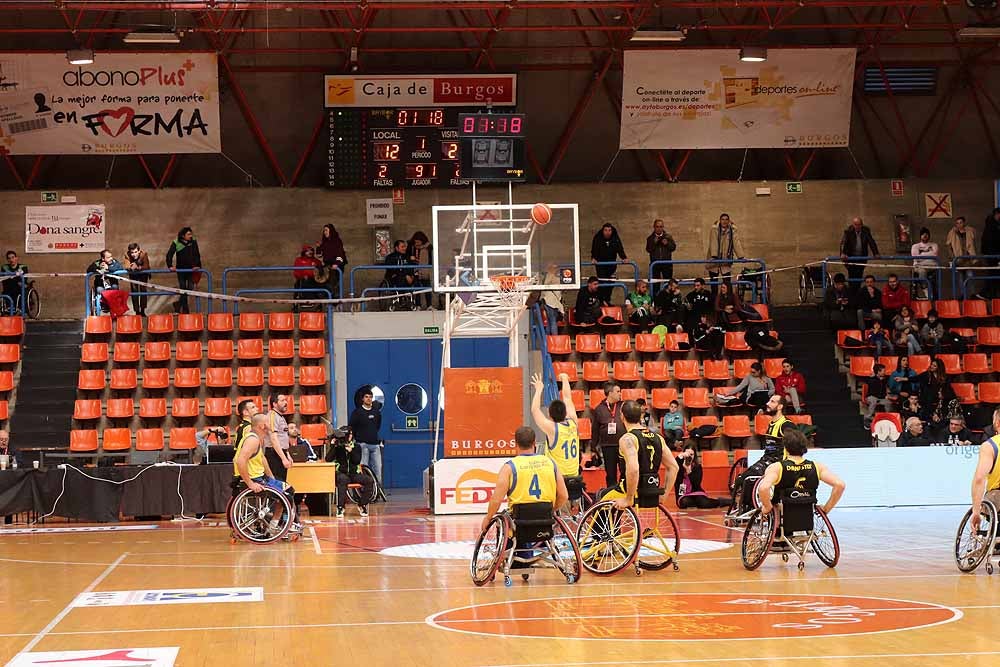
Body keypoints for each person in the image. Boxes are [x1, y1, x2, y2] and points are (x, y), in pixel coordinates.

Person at [480, 426, 569, 534]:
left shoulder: (509, 467)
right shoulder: (550, 463)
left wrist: (488, 518)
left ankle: (511, 550)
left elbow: (496, 500)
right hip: (545, 518)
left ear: (515, 443)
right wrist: (551, 510)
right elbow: (564, 496)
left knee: (504, 521)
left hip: (519, 521)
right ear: (534, 442)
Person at [597, 400, 678, 512]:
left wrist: (629, 498)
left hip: (631, 491)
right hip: (652, 490)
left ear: (622, 417)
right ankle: (615, 528)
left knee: (599, 496)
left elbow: (634, 469)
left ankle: (604, 529)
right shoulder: (658, 438)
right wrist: (664, 495)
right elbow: (674, 467)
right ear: (640, 416)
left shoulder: (628, 439)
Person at [233, 413, 301, 537]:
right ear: (262, 425)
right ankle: (276, 526)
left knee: (287, 489)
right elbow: (240, 461)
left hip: (260, 477)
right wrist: (250, 483)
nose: (271, 424)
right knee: (287, 493)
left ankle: (276, 525)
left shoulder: (258, 439)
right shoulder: (252, 440)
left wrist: (272, 479)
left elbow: (263, 460)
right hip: (254, 479)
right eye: (268, 422)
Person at [757, 429, 846, 517]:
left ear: (785, 448)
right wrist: (827, 508)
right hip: (807, 509)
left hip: (782, 510)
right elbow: (840, 485)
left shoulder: (776, 467)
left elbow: (763, 488)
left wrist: (767, 507)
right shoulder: (817, 466)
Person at [529, 372, 582, 511]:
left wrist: (539, 389)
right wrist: (565, 379)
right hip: (575, 475)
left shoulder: (552, 429)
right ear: (565, 413)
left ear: (549, 415)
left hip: (560, 479)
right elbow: (567, 398)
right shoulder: (573, 422)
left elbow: (534, 410)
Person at [326, 426, 373, 517]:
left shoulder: (356, 447)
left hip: (353, 474)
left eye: (351, 434)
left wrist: (351, 451)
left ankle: (362, 504)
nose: (349, 436)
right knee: (343, 479)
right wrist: (333, 446)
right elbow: (328, 459)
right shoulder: (338, 446)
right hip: (341, 473)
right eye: (348, 434)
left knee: (369, 480)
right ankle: (340, 507)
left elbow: (357, 461)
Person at [970, 408, 1000, 535]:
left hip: (997, 497)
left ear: (997, 423)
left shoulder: (990, 446)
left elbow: (979, 479)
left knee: (990, 500)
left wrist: (976, 512)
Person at [592, 382, 624, 488]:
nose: (620, 393)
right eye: (618, 391)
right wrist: (593, 448)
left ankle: (624, 493)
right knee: (610, 474)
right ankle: (611, 495)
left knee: (625, 472)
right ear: (610, 393)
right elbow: (595, 430)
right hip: (607, 446)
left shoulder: (623, 406)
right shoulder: (599, 409)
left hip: (623, 445)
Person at [349, 387, 383, 485]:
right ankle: (365, 492)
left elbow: (377, 426)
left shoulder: (376, 412)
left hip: (375, 445)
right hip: (362, 445)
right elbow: (352, 427)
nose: (369, 399)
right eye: (366, 397)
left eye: (370, 397)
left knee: (378, 469)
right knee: (363, 469)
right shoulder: (357, 412)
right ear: (362, 399)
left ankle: (377, 492)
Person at [165, 227, 201, 314]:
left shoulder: (193, 241)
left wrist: (197, 265)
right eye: (188, 234)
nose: (190, 236)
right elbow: (169, 255)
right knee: (183, 288)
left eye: (191, 234)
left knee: (189, 288)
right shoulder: (176, 242)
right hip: (181, 270)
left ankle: (178, 303)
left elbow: (197, 254)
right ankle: (185, 310)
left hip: (191, 269)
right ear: (183, 235)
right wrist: (170, 266)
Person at [706, 213, 745, 292]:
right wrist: (714, 256)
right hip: (714, 262)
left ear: (729, 221)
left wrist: (741, 256)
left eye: (726, 219)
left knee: (727, 284)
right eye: (723, 219)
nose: (724, 221)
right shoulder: (714, 229)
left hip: (726, 260)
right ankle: (715, 302)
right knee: (714, 285)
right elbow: (713, 243)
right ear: (720, 220)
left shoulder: (732, 230)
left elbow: (736, 243)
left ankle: (728, 302)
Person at [840, 217, 880, 291]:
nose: (857, 227)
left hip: (862, 258)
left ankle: (857, 294)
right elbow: (844, 243)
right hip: (851, 258)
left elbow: (871, 242)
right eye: (855, 225)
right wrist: (843, 253)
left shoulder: (866, 230)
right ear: (853, 225)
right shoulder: (848, 231)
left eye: (859, 225)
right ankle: (852, 295)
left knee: (859, 278)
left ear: (862, 225)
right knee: (852, 277)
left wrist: (876, 253)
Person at [590, 222, 627, 304]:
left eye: (609, 230)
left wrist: (624, 257)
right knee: (602, 283)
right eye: (606, 230)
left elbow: (620, 248)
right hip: (601, 266)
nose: (607, 232)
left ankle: (607, 300)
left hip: (612, 265)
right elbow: (594, 250)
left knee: (611, 283)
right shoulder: (597, 238)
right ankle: (601, 301)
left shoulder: (615, 238)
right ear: (603, 231)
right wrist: (593, 258)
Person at [87, 249, 126, 315]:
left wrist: (108, 268)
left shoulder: (114, 262)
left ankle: (114, 305)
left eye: (111, 256)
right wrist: (98, 268)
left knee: (115, 287)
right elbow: (89, 269)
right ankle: (104, 305)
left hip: (112, 283)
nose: (111, 258)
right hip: (101, 283)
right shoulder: (98, 263)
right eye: (108, 257)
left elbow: (120, 268)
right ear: (103, 258)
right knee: (100, 290)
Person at [265, 394, 293, 482]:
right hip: (274, 455)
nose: (286, 403)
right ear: (274, 404)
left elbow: (282, 437)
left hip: (281, 453)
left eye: (286, 400)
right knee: (276, 483)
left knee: (282, 483)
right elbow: (274, 439)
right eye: (282, 400)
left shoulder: (281, 417)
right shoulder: (272, 416)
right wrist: (283, 458)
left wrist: (287, 454)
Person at [946, 216, 977, 293]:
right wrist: (952, 258)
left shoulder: (969, 231)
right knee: (960, 278)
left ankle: (972, 294)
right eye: (957, 223)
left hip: (968, 259)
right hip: (958, 259)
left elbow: (973, 242)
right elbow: (948, 246)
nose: (959, 224)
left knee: (970, 276)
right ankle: (963, 295)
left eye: (961, 222)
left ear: (964, 223)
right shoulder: (952, 233)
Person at [317, 223, 347, 296]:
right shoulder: (324, 242)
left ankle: (334, 301)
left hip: (336, 266)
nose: (325, 232)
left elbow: (340, 254)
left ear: (331, 231)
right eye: (324, 231)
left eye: (326, 230)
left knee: (333, 283)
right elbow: (319, 255)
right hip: (327, 266)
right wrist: (318, 247)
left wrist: (336, 263)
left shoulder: (337, 241)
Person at [646, 218, 677, 287]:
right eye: (657, 227)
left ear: (663, 227)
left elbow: (673, 248)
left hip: (667, 264)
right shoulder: (650, 238)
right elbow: (648, 250)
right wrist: (654, 243)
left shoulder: (668, 237)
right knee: (655, 285)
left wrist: (667, 244)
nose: (659, 228)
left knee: (668, 285)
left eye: (661, 227)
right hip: (655, 264)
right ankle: (656, 297)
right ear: (654, 227)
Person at [406, 231, 433, 310]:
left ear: (423, 241)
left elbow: (431, 259)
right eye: (415, 242)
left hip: (425, 270)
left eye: (418, 242)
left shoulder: (428, 247)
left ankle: (429, 305)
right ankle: (418, 305)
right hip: (415, 269)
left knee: (427, 287)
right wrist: (411, 258)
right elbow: (407, 257)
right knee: (417, 287)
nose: (417, 244)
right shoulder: (411, 246)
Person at [122, 243, 151, 316]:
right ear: (129, 252)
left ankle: (143, 311)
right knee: (134, 292)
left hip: (143, 274)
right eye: (132, 252)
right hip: (133, 275)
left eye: (135, 252)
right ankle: (137, 311)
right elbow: (127, 266)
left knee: (143, 291)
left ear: (139, 251)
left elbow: (146, 266)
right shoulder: (127, 255)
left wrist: (137, 267)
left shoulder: (144, 254)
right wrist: (132, 267)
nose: (134, 254)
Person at [537, 263, 565, 335]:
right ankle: (553, 338)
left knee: (550, 321)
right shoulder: (557, 277)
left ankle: (548, 338)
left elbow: (545, 287)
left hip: (548, 300)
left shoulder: (549, 276)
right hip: (553, 301)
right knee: (552, 321)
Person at [911, 228, 939, 299]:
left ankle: (933, 295)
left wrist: (922, 254)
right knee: (922, 271)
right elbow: (916, 258)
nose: (925, 236)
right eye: (923, 234)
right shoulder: (915, 246)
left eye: (926, 234)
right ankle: (926, 291)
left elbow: (935, 255)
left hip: (932, 267)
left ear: (929, 236)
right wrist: (929, 254)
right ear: (920, 236)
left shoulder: (934, 245)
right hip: (919, 267)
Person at [292, 245, 323, 309]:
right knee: (303, 281)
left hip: (314, 280)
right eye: (308, 251)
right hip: (302, 280)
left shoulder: (316, 261)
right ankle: (304, 302)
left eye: (311, 251)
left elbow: (321, 271)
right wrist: (302, 276)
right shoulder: (299, 260)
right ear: (304, 252)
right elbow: (296, 271)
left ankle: (312, 302)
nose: (310, 252)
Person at [982, 208, 1000, 298]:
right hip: (993, 255)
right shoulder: (992, 226)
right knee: (993, 275)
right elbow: (991, 242)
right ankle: (989, 294)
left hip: (992, 254)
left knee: (993, 275)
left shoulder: (991, 225)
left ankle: (988, 294)